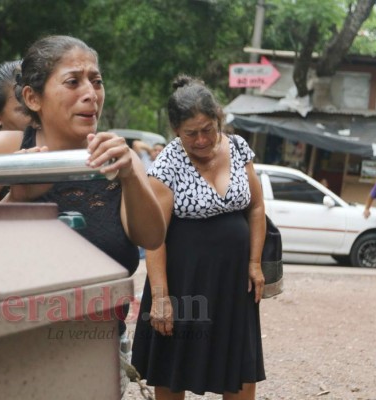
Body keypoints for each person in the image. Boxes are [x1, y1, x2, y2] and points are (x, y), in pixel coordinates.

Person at [0, 35, 165, 282]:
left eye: (96, 82)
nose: (91, 94)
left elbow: (151, 238)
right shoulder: (1, 150)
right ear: (33, 98)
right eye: (73, 82)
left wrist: (131, 178)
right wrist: (17, 198)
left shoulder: (118, 159)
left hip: (103, 318)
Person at [131, 75, 266, 399]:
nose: (202, 140)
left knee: (238, 363)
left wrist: (255, 263)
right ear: (176, 130)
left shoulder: (237, 148)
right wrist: (161, 298)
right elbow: (154, 237)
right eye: (191, 134)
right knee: (173, 366)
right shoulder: (167, 164)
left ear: (218, 119)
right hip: (182, 282)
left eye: (208, 129)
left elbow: (257, 208)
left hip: (233, 282)